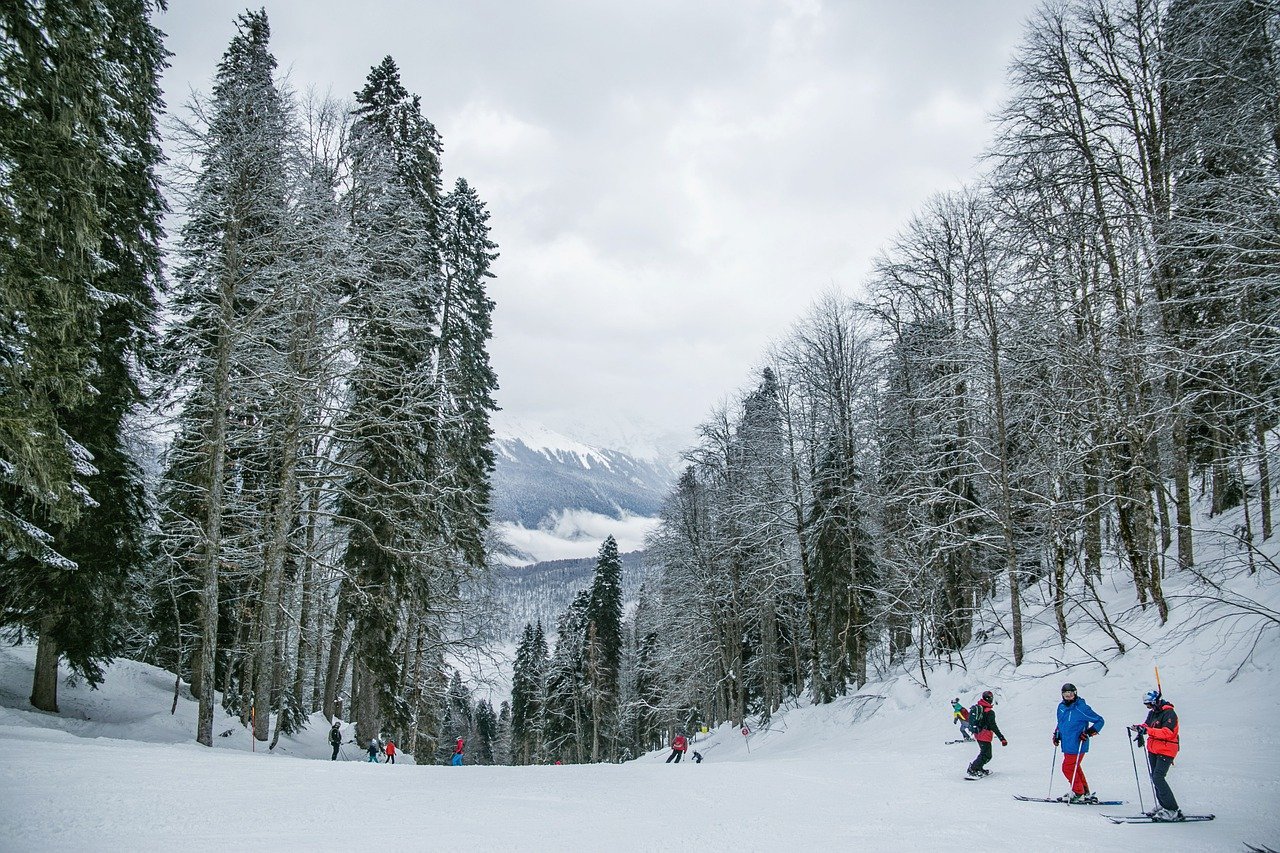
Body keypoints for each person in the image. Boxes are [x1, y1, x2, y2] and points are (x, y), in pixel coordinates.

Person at [1132, 689, 1183, 821]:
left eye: (1148, 704)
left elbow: (1168, 732)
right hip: (1154, 749)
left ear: (1155, 701)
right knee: (1154, 777)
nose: (1147, 707)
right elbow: (1147, 725)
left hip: (1167, 749)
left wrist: (1148, 730)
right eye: (1145, 704)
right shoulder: (1153, 713)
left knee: (1158, 777)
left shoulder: (1169, 713)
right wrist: (1139, 728)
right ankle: (1164, 805)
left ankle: (1172, 809)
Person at [1052, 682, 1104, 803]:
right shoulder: (1061, 707)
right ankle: (1084, 791)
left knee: (1067, 768)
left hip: (1078, 743)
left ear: (1075, 693)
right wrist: (1057, 734)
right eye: (1065, 694)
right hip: (1067, 743)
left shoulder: (1081, 707)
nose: (1068, 697)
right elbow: (1061, 723)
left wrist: (1089, 732)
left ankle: (1078, 792)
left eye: (1070, 694)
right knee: (1074, 767)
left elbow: (1100, 721)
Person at [965, 690, 1007, 778]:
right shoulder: (989, 712)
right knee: (987, 755)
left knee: (983, 753)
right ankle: (973, 768)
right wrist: (1001, 738)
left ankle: (978, 768)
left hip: (978, 734)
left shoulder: (980, 707)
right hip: (985, 735)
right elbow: (993, 726)